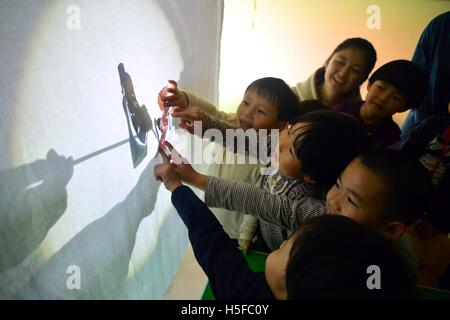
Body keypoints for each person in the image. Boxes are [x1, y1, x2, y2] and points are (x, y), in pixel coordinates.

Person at [154, 153, 416, 299]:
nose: (332, 200)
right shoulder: (323, 220)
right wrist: (188, 182)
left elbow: (211, 242)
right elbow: (263, 203)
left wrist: (178, 187)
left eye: (288, 246)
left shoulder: (247, 294)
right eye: (336, 184)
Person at [171, 108, 368, 252]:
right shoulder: (281, 153)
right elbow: (246, 141)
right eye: (289, 130)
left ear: (310, 176)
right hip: (261, 238)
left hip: (275, 253)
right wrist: (207, 125)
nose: (281, 143)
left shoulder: (301, 201)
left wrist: (195, 178)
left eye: (292, 150)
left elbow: (258, 200)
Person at [161, 77, 303, 252]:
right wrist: (185, 99)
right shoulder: (232, 122)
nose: (247, 113)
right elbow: (211, 113)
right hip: (212, 209)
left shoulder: (271, 158)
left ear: (280, 127)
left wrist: (245, 236)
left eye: (260, 111)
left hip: (234, 231)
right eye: (246, 102)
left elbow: (258, 201)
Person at [158, 38, 377, 122]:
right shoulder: (283, 97)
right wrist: (186, 99)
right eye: (340, 61)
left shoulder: (351, 122)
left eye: (355, 69)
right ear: (328, 61)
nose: (343, 72)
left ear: (363, 79)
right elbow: (226, 119)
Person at [334, 60, 427, 148]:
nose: (383, 99)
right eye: (381, 88)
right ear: (369, 85)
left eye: (396, 98)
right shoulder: (341, 110)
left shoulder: (391, 136)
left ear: (403, 108)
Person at [401, 11, 450, 142]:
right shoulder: (442, 24)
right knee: (399, 157)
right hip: (424, 115)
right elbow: (416, 77)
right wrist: (422, 122)